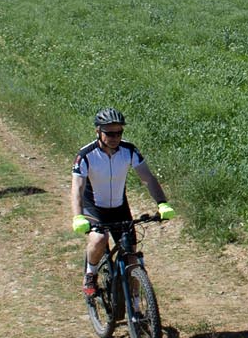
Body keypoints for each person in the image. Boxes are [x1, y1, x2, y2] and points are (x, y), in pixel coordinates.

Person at [71, 107, 174, 299]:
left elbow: (148, 178)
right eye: (109, 133)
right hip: (94, 208)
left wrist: (162, 203)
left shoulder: (129, 151)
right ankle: (90, 274)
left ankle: (136, 305)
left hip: (119, 208)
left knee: (132, 259)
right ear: (98, 131)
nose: (115, 137)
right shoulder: (86, 155)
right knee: (99, 239)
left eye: (119, 132)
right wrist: (78, 216)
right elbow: (77, 187)